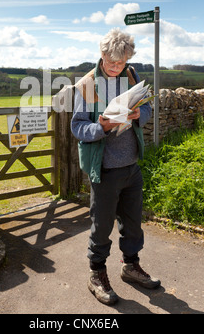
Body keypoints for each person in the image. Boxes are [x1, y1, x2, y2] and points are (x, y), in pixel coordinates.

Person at [71, 28, 160, 306]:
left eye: (121, 63)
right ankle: (96, 274)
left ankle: (130, 266)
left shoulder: (131, 75)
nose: (116, 67)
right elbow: (77, 127)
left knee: (133, 224)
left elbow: (147, 108)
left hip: (131, 166)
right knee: (101, 227)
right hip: (105, 169)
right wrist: (101, 126)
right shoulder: (86, 85)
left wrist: (138, 114)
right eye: (112, 62)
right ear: (102, 54)